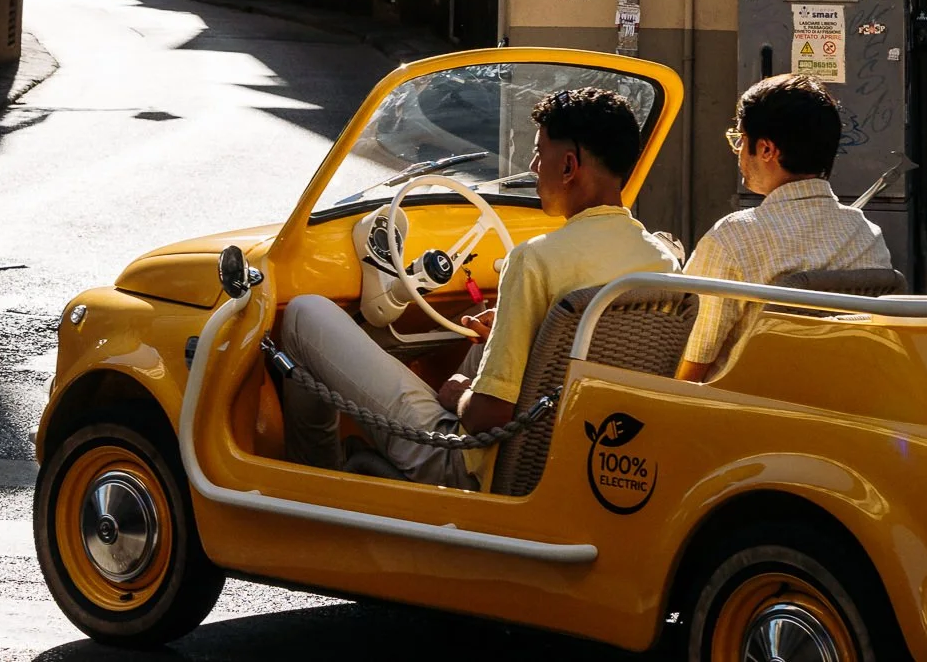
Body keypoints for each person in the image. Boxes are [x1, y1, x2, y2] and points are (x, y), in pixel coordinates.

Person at [280, 85, 679, 487]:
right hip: (577, 466)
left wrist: (461, 395)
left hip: (471, 465)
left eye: (540, 152)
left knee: (302, 315)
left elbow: (490, 416)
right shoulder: (662, 263)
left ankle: (315, 487)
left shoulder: (535, 260)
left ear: (569, 166)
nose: (533, 164)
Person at [677, 73, 890, 383]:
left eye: (740, 140)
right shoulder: (867, 235)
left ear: (766, 150)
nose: (738, 152)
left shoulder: (733, 239)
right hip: (841, 406)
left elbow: (688, 359)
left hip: (744, 414)